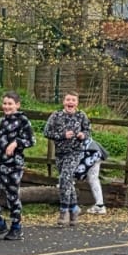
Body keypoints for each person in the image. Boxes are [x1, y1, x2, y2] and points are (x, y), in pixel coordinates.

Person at [0, 92, 36, 240]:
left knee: (12, 196)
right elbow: (4, 139)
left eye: (10, 104)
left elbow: (31, 140)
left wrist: (16, 143)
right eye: (5, 103)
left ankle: (16, 227)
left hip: (13, 165)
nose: (6, 106)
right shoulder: (3, 120)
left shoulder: (23, 120)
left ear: (17, 105)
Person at [43, 92, 91, 226]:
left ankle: (64, 211)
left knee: (64, 178)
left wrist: (82, 135)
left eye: (73, 100)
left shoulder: (81, 116)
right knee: (67, 181)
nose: (70, 102)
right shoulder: (56, 115)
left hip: (75, 152)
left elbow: (88, 131)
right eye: (68, 100)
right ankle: (74, 208)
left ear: (77, 103)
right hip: (60, 153)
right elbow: (46, 132)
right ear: (64, 102)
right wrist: (62, 135)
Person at [75, 135, 108, 214]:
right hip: (93, 149)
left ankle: (72, 206)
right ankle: (100, 205)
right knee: (93, 179)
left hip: (88, 151)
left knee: (70, 176)